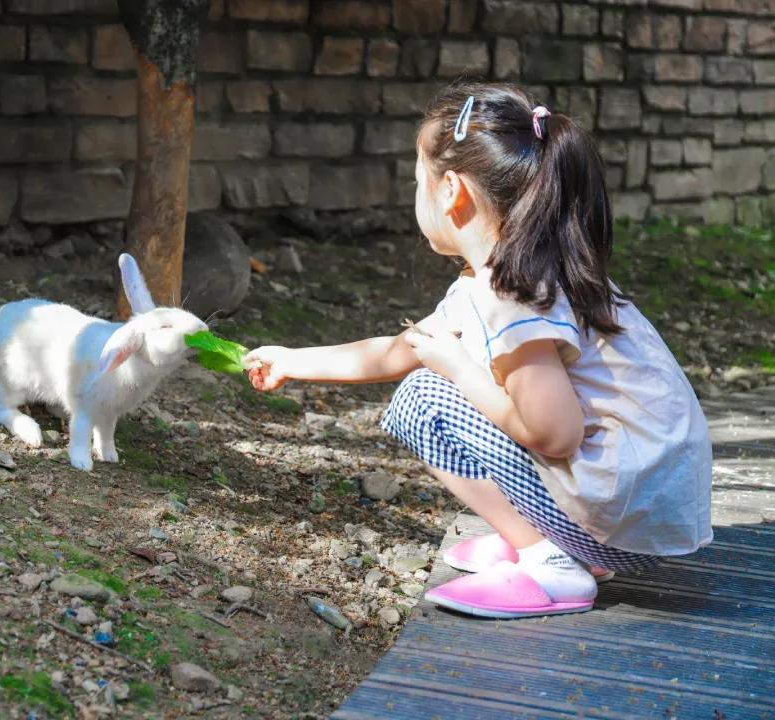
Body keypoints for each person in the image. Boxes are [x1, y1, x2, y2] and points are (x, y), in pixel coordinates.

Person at [244, 83, 712, 619]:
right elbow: (398, 350)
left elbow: (557, 433)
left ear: (451, 192)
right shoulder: (521, 271)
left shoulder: (513, 297)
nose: (415, 195)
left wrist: (460, 371)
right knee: (429, 372)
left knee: (425, 397)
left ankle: (550, 563)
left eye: (417, 181)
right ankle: (544, 536)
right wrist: (292, 361)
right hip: (643, 513)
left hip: (628, 527)